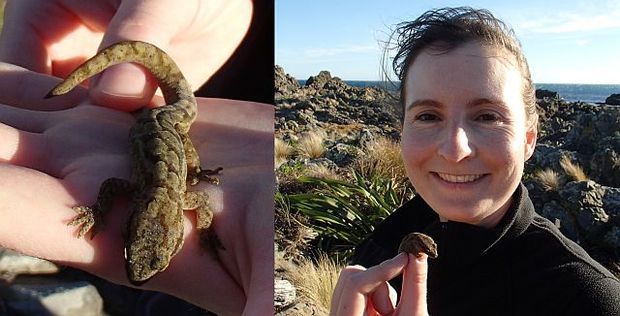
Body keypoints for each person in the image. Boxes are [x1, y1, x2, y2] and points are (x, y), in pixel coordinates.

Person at [330, 7, 620, 316]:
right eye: (428, 116)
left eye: (487, 116)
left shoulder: (589, 301)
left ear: (528, 140)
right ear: (402, 131)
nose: (455, 150)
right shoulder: (377, 253)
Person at [0, 1, 274, 315]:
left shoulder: (178, 198)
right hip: (164, 119)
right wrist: (206, 232)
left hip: (172, 119)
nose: (138, 269)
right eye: (135, 254)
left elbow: (122, 187)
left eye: (130, 252)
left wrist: (96, 213)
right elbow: (196, 203)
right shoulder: (171, 197)